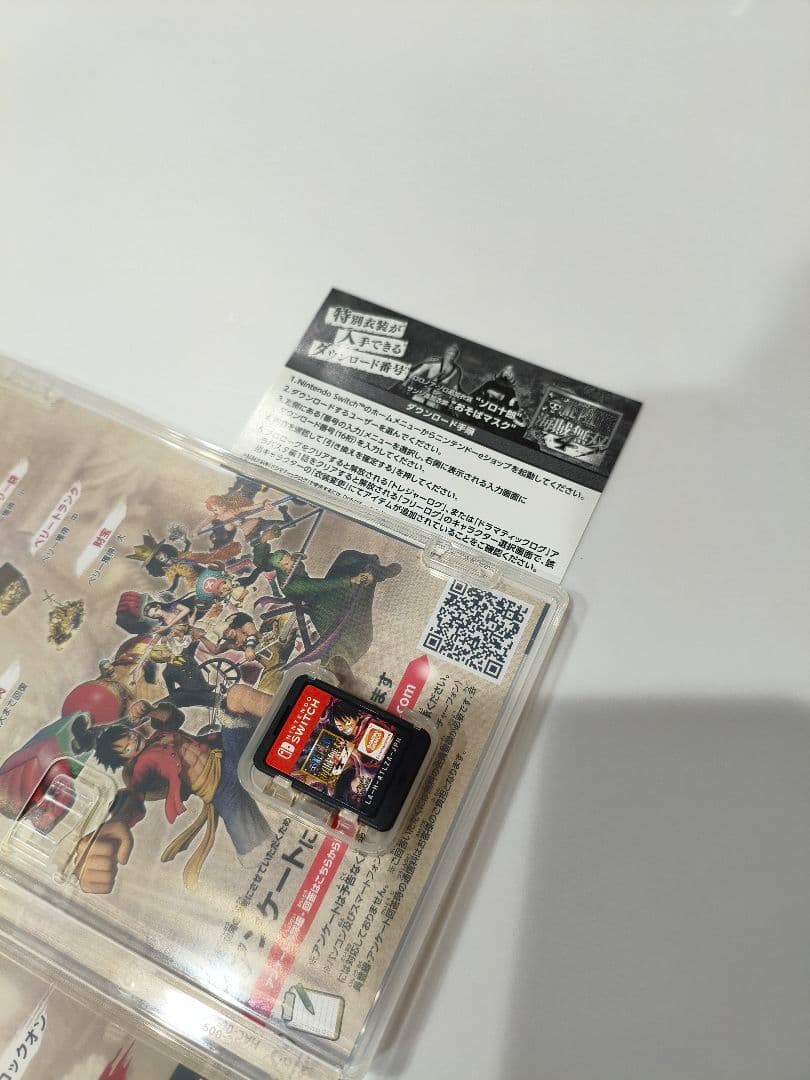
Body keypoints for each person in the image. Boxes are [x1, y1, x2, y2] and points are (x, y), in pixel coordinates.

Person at [265, 549, 400, 672]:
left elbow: (274, 560)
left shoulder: (287, 566)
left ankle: (377, 572)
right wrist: (352, 580)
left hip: (320, 593)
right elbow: (322, 585)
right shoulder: (292, 585)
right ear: (281, 568)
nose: (292, 562)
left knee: (347, 557)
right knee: (342, 636)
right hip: (320, 606)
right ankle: (377, 574)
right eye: (287, 563)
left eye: (290, 558)